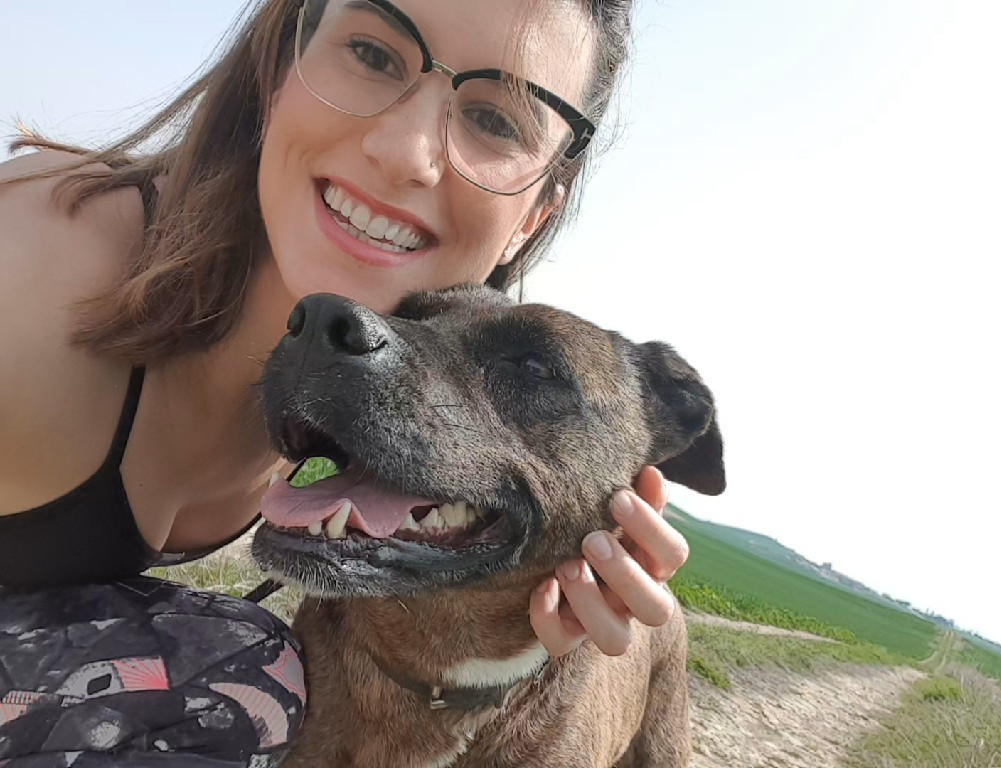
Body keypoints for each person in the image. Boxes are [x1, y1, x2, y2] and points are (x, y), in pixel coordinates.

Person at [0, 0, 691, 765]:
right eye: (373, 54)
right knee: (242, 679)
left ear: (533, 214)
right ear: (278, 65)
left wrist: (524, 576)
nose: (404, 152)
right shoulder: (28, 281)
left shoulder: (383, 359)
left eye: (495, 120)